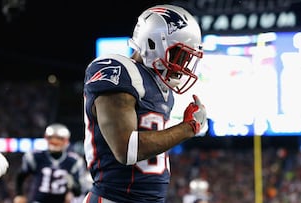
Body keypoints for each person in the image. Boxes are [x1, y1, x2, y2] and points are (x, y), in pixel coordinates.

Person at [82, 4, 206, 203]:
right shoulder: (117, 70)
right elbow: (126, 149)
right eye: (179, 55)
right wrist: (187, 128)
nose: (182, 65)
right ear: (152, 42)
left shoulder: (162, 90)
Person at [13, 123, 86, 203]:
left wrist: (72, 185)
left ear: (66, 141)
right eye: (51, 138)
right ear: (46, 138)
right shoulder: (36, 156)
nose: (55, 141)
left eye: (59, 138)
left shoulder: (73, 161)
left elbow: (78, 191)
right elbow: (21, 176)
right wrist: (19, 194)